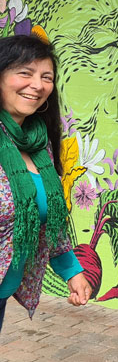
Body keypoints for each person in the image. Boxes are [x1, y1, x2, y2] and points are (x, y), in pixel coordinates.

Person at [0, 35, 92, 332]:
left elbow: (47, 219)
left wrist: (72, 271)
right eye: (24, 73)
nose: (37, 85)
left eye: (46, 77)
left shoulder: (40, 144)